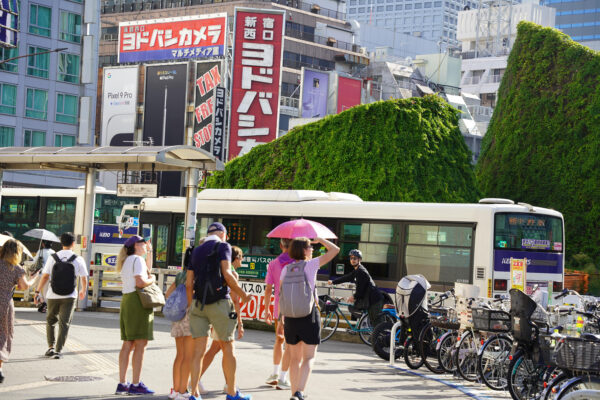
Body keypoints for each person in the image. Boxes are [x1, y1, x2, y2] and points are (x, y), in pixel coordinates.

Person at [185, 222, 251, 400]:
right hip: (220, 302)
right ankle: (231, 392)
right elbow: (227, 274)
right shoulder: (224, 246)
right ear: (223, 234)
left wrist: (191, 305)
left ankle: (194, 393)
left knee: (198, 351)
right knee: (228, 347)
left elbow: (188, 283)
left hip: (198, 304)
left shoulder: (196, 250)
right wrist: (243, 295)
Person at [282, 237, 339, 400]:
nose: (312, 249)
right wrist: (320, 239)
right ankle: (299, 392)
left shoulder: (286, 268)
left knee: (294, 358)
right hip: (308, 315)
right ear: (305, 250)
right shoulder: (311, 265)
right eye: (310, 247)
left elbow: (281, 293)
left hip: (291, 317)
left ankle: (293, 392)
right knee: (308, 357)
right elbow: (335, 250)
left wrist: (281, 317)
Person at [34, 232, 88, 360]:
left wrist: (37, 291)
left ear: (61, 243)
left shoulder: (53, 257)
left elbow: (46, 276)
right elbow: (84, 277)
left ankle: (50, 347)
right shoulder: (78, 258)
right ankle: (58, 350)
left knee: (51, 321)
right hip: (70, 295)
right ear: (73, 244)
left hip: (53, 294)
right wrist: (83, 290)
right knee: (64, 323)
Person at [199, 245, 245, 394]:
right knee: (224, 350)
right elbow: (235, 301)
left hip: (218, 313)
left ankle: (225, 383)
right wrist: (240, 322)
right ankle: (197, 380)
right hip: (227, 314)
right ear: (236, 258)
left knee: (216, 349)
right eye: (241, 258)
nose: (242, 261)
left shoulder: (219, 270)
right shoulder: (232, 274)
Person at [115, 235, 156, 396]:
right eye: (143, 243)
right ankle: (136, 383)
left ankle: (122, 383)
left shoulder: (128, 260)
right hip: (137, 302)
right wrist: (151, 280)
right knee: (140, 344)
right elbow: (141, 281)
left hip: (127, 301)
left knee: (127, 344)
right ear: (136, 246)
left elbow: (146, 270)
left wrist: (150, 251)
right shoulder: (137, 260)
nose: (146, 245)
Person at [0, 239, 37, 383]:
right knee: (4, 333)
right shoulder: (16, 269)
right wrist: (33, 279)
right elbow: (24, 286)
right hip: (5, 304)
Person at [263, 238, 293, 389]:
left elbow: (268, 289)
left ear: (281, 245)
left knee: (279, 340)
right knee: (290, 344)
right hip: (295, 309)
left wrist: (266, 309)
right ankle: (283, 377)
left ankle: (275, 373)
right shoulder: (299, 262)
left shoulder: (273, 263)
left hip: (278, 308)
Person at [328, 249, 384, 328]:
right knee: (357, 309)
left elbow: (360, 290)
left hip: (374, 299)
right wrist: (334, 282)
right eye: (351, 258)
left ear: (359, 259)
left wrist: (354, 297)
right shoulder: (357, 270)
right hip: (370, 299)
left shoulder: (360, 271)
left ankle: (383, 337)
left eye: (355, 258)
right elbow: (347, 277)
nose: (352, 260)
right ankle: (356, 328)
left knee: (377, 323)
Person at [166, 259, 195, 400]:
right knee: (188, 356)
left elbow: (167, 294)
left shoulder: (179, 276)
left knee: (180, 355)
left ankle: (175, 390)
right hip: (189, 316)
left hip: (177, 316)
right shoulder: (195, 275)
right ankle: (183, 391)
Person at [30, 241, 55, 313]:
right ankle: (44, 305)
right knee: (45, 290)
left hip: (41, 273)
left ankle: (42, 302)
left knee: (37, 288)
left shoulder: (40, 251)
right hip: (50, 274)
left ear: (43, 244)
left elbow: (34, 261)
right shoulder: (53, 252)